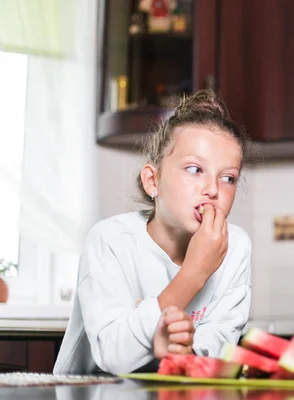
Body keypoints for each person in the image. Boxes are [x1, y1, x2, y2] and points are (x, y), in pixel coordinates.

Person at [53, 90, 252, 375]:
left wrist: (185, 349)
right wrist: (195, 272)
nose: (212, 189)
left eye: (228, 178)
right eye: (195, 169)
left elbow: (220, 345)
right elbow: (112, 355)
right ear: (152, 181)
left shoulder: (237, 246)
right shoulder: (110, 240)